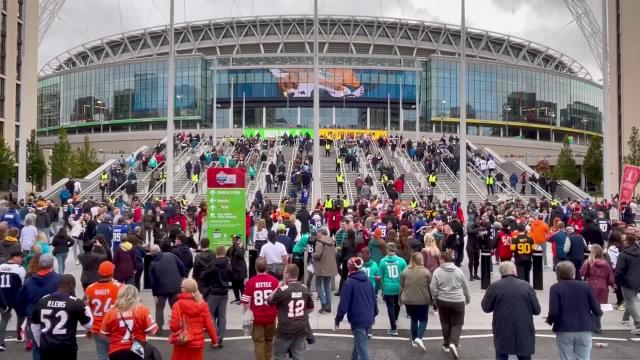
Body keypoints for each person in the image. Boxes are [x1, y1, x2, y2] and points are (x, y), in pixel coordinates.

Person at [481, 261, 541, 360]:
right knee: (524, 354)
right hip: (523, 327)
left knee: (502, 354)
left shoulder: (494, 286)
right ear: (514, 271)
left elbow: (486, 307)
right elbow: (537, 310)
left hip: (502, 327)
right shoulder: (526, 286)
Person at [546, 261, 602, 360]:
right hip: (584, 327)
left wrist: (550, 320)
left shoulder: (555, 288)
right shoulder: (586, 286)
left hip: (564, 328)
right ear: (574, 272)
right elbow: (597, 310)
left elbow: (554, 311)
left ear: (557, 275)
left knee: (566, 357)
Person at [30, 274, 93, 360]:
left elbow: (34, 326)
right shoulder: (76, 303)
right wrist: (86, 307)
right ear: (71, 285)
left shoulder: (43, 300)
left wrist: (40, 343)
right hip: (67, 347)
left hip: (47, 347)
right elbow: (89, 325)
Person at [16, 253, 62, 360]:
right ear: (52, 264)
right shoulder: (59, 280)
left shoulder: (28, 282)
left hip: (33, 319)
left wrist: (27, 311)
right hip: (55, 319)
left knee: (37, 348)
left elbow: (19, 302)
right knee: (56, 348)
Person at [268, 264, 314, 360]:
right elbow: (310, 309)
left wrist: (278, 286)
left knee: (278, 356)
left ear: (287, 274)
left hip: (285, 330)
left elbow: (269, 301)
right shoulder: (305, 289)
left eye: (284, 272)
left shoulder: (282, 290)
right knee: (298, 356)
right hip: (300, 329)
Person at [335, 257, 377, 360]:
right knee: (358, 344)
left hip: (358, 319)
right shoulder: (367, 281)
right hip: (369, 318)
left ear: (349, 268)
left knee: (362, 350)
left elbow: (343, 305)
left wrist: (338, 320)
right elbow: (373, 298)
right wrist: (374, 313)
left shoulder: (349, 283)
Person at [100, 285, 159, 359]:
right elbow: (152, 331)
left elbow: (103, 334)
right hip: (137, 350)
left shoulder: (111, 312)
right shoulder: (142, 310)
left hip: (116, 350)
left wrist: (115, 340)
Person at [430, 250, 470, 359]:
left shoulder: (437, 271)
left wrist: (435, 299)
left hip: (442, 300)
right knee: (457, 323)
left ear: (442, 259)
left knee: (445, 323)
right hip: (458, 300)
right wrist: (467, 298)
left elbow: (433, 288)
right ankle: (454, 342)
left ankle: (446, 344)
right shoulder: (458, 271)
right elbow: (465, 287)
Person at [169, 279, 218, 360]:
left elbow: (174, 327)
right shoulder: (203, 305)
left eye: (181, 287)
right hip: (197, 343)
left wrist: (172, 320)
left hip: (182, 341)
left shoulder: (177, 305)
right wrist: (214, 341)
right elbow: (210, 325)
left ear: (185, 289)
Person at [242, 257, 280, 360]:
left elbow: (245, 303)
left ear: (255, 268)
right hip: (271, 317)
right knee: (269, 340)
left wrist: (245, 313)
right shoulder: (275, 281)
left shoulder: (250, 283)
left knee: (259, 342)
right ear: (266, 267)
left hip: (257, 318)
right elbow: (279, 299)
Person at [84, 261, 124, 360]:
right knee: (118, 355)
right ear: (113, 273)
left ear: (99, 272)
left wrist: (88, 328)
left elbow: (85, 309)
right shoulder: (120, 288)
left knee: (102, 356)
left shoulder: (90, 288)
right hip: (115, 328)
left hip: (97, 328)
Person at [149, 243, 186, 331]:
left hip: (160, 290)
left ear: (152, 254)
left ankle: (159, 327)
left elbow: (153, 281)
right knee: (175, 307)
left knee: (159, 308)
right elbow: (182, 266)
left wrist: (154, 294)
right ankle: (177, 326)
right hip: (176, 287)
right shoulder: (171, 255)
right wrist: (182, 277)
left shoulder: (153, 264)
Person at [400, 252, 432, 351]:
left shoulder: (405, 272)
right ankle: (419, 337)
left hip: (409, 300)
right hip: (422, 299)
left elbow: (401, 286)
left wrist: (400, 299)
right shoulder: (426, 272)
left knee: (413, 319)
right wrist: (433, 300)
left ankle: (414, 340)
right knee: (423, 320)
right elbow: (430, 287)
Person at [580, 244, 615, 333]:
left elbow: (582, 273)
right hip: (603, 286)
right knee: (599, 306)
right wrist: (612, 285)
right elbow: (610, 276)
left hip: (592, 284)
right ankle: (598, 325)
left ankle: (590, 324)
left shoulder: (589, 262)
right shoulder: (606, 263)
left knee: (589, 305)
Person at [202, 245, 233, 347]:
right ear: (224, 252)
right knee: (222, 315)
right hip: (224, 291)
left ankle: (215, 333)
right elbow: (232, 276)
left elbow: (204, 276)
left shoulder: (212, 264)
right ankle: (220, 338)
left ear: (217, 253)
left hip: (214, 291)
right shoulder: (228, 264)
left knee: (209, 313)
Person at [379, 243, 408, 336]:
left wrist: (382, 289)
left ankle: (393, 328)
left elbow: (381, 277)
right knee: (397, 304)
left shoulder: (383, 261)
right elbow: (406, 274)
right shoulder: (402, 261)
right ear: (395, 250)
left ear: (387, 250)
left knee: (390, 307)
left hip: (388, 287)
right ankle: (395, 318)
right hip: (398, 286)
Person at [614, 232, 640, 335]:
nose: (623, 241)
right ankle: (625, 318)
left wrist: (618, 281)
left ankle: (638, 324)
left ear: (628, 242)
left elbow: (619, 271)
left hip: (626, 281)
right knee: (631, 300)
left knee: (629, 302)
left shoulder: (623, 255)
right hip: (637, 281)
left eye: (624, 240)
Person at [0, 250, 25, 351]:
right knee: (20, 315)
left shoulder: (0, 267)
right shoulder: (20, 269)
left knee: (4, 319)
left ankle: (1, 342)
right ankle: (19, 336)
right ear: (14, 257)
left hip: (2, 297)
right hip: (15, 297)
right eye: (20, 257)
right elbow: (23, 285)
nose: (21, 259)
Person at [313, 227, 338, 314]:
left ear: (320, 233)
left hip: (321, 267)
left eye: (317, 232)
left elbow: (318, 255)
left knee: (318, 285)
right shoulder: (331, 240)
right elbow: (335, 253)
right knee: (327, 286)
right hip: (330, 267)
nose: (317, 234)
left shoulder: (320, 241)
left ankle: (324, 304)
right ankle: (329, 306)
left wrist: (312, 254)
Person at [228, 234, 248, 304]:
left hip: (240, 270)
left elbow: (241, 254)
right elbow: (227, 255)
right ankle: (237, 298)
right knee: (234, 285)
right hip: (233, 270)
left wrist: (236, 245)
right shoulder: (231, 248)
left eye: (235, 239)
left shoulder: (241, 247)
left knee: (241, 285)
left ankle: (243, 299)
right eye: (233, 239)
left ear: (238, 240)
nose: (233, 240)